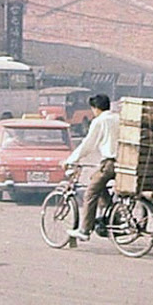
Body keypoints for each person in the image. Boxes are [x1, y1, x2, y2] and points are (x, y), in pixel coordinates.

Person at [65, 94, 119, 241]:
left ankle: (85, 230)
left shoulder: (99, 121)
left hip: (109, 163)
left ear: (95, 108)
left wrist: (72, 159)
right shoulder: (118, 118)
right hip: (123, 163)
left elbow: (88, 144)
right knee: (95, 179)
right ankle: (111, 215)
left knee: (90, 193)